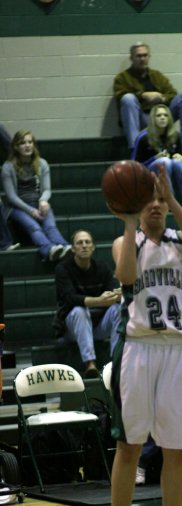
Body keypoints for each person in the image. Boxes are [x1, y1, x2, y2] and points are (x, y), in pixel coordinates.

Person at [106, 163, 182, 506]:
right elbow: (126, 276)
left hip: (180, 351)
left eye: (161, 202)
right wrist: (130, 222)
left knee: (176, 451)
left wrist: (173, 198)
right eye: (151, 203)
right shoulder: (126, 242)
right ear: (137, 209)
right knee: (129, 447)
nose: (157, 208)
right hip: (140, 350)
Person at [54, 229, 122, 379]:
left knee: (118, 308)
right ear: (73, 249)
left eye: (87, 242)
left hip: (97, 327)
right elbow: (70, 298)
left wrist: (118, 295)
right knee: (79, 310)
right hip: (71, 330)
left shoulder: (102, 268)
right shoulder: (62, 269)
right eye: (79, 243)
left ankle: (117, 362)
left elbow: (111, 293)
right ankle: (90, 364)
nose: (84, 246)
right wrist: (99, 300)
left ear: (93, 247)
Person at [1, 130, 71, 262]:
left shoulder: (42, 163)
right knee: (34, 227)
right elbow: (11, 197)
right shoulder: (8, 167)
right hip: (17, 207)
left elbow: (46, 189)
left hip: (38, 203)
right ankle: (48, 249)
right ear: (16, 147)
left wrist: (43, 200)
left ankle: (65, 247)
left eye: (30, 142)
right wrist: (31, 210)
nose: (27, 146)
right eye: (22, 143)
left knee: (50, 227)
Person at [113, 42, 182, 150]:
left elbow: (172, 93)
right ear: (131, 58)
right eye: (139, 56)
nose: (142, 59)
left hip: (161, 116)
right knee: (128, 98)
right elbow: (119, 95)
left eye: (145, 55)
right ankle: (135, 147)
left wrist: (162, 98)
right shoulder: (122, 78)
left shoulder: (157, 75)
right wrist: (142, 95)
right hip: (142, 118)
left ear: (149, 57)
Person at [132, 104, 182, 211]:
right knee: (164, 161)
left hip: (170, 170)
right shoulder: (143, 137)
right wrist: (154, 158)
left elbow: (181, 157)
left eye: (165, 115)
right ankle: (169, 203)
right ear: (153, 119)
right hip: (148, 173)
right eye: (159, 115)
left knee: (178, 163)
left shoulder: (175, 135)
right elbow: (135, 166)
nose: (162, 118)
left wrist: (181, 158)